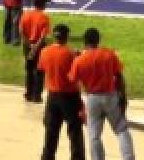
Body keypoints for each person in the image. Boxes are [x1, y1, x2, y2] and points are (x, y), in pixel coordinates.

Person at [69, 28, 136, 160]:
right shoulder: (109, 54)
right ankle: (128, 157)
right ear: (98, 40)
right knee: (121, 129)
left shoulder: (79, 60)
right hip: (110, 97)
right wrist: (123, 97)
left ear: (84, 42)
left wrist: (77, 58)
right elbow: (119, 77)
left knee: (94, 135)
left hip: (92, 99)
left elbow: (72, 80)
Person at [39, 24, 85, 160]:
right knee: (75, 132)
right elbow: (76, 75)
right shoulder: (71, 54)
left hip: (52, 96)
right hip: (69, 97)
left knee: (51, 132)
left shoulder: (44, 51)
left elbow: (42, 68)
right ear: (66, 36)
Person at [20, 0, 51, 102]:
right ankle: (36, 95)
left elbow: (22, 32)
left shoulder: (25, 15)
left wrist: (29, 46)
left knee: (29, 69)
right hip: (39, 46)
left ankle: (28, 93)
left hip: (27, 45)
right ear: (42, 4)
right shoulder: (44, 17)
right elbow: (43, 37)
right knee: (39, 71)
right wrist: (35, 48)